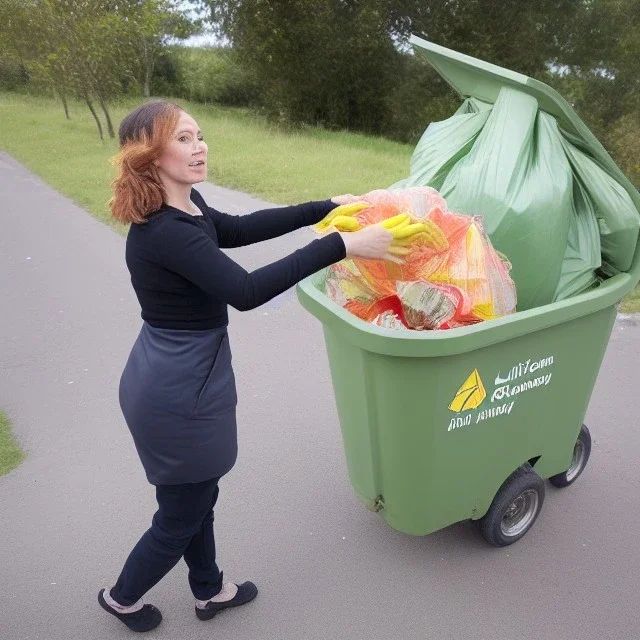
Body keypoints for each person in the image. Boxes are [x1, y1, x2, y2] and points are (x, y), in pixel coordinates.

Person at [98, 100, 395, 632]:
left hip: (178, 374)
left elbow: (235, 228)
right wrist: (343, 244)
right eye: (184, 139)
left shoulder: (186, 209)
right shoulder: (167, 232)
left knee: (198, 493)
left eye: (200, 135)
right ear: (150, 154)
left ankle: (209, 590)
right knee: (180, 514)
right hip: (176, 389)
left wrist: (324, 207)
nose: (200, 146)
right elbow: (246, 290)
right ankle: (121, 598)